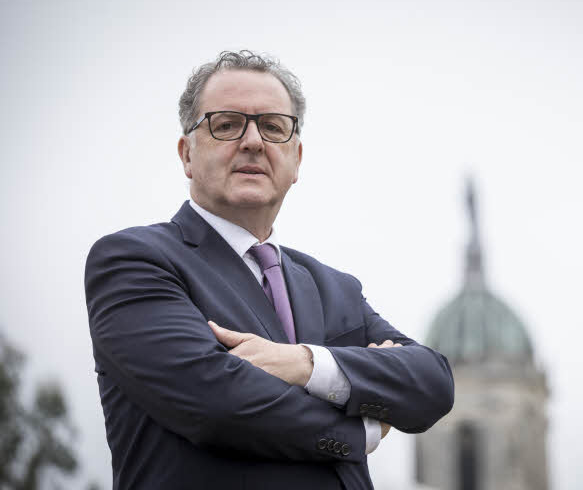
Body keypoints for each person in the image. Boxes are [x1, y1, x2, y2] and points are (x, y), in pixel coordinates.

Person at [84, 50, 454, 490]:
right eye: (226, 124)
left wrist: (306, 364)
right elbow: (218, 404)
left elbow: (432, 383)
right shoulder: (134, 262)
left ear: (296, 159)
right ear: (187, 154)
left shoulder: (335, 288)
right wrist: (362, 427)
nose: (253, 142)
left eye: (273, 127)